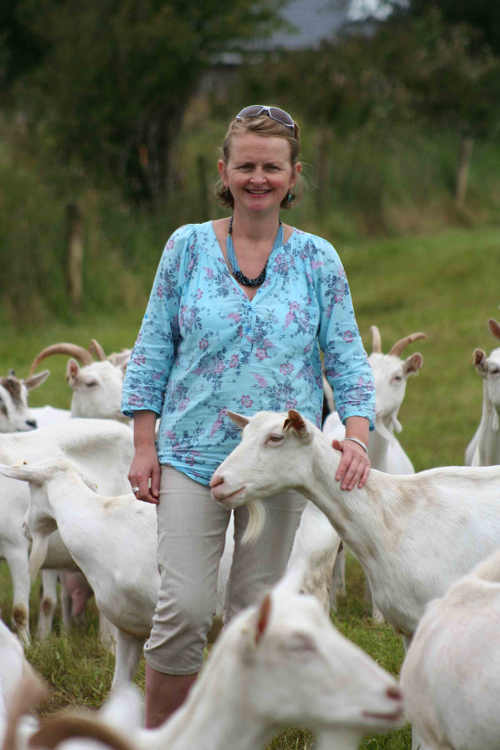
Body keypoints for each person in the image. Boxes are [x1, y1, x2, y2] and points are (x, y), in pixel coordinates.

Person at [121, 104, 375, 728]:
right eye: (246, 166)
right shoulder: (185, 248)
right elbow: (153, 347)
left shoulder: (318, 260)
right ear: (224, 171)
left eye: (271, 167)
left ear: (292, 178)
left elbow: (346, 358)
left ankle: (230, 738)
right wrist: (143, 444)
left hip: (279, 464)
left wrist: (358, 434)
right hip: (190, 452)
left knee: (252, 613)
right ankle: (162, 739)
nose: (257, 178)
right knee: (182, 608)